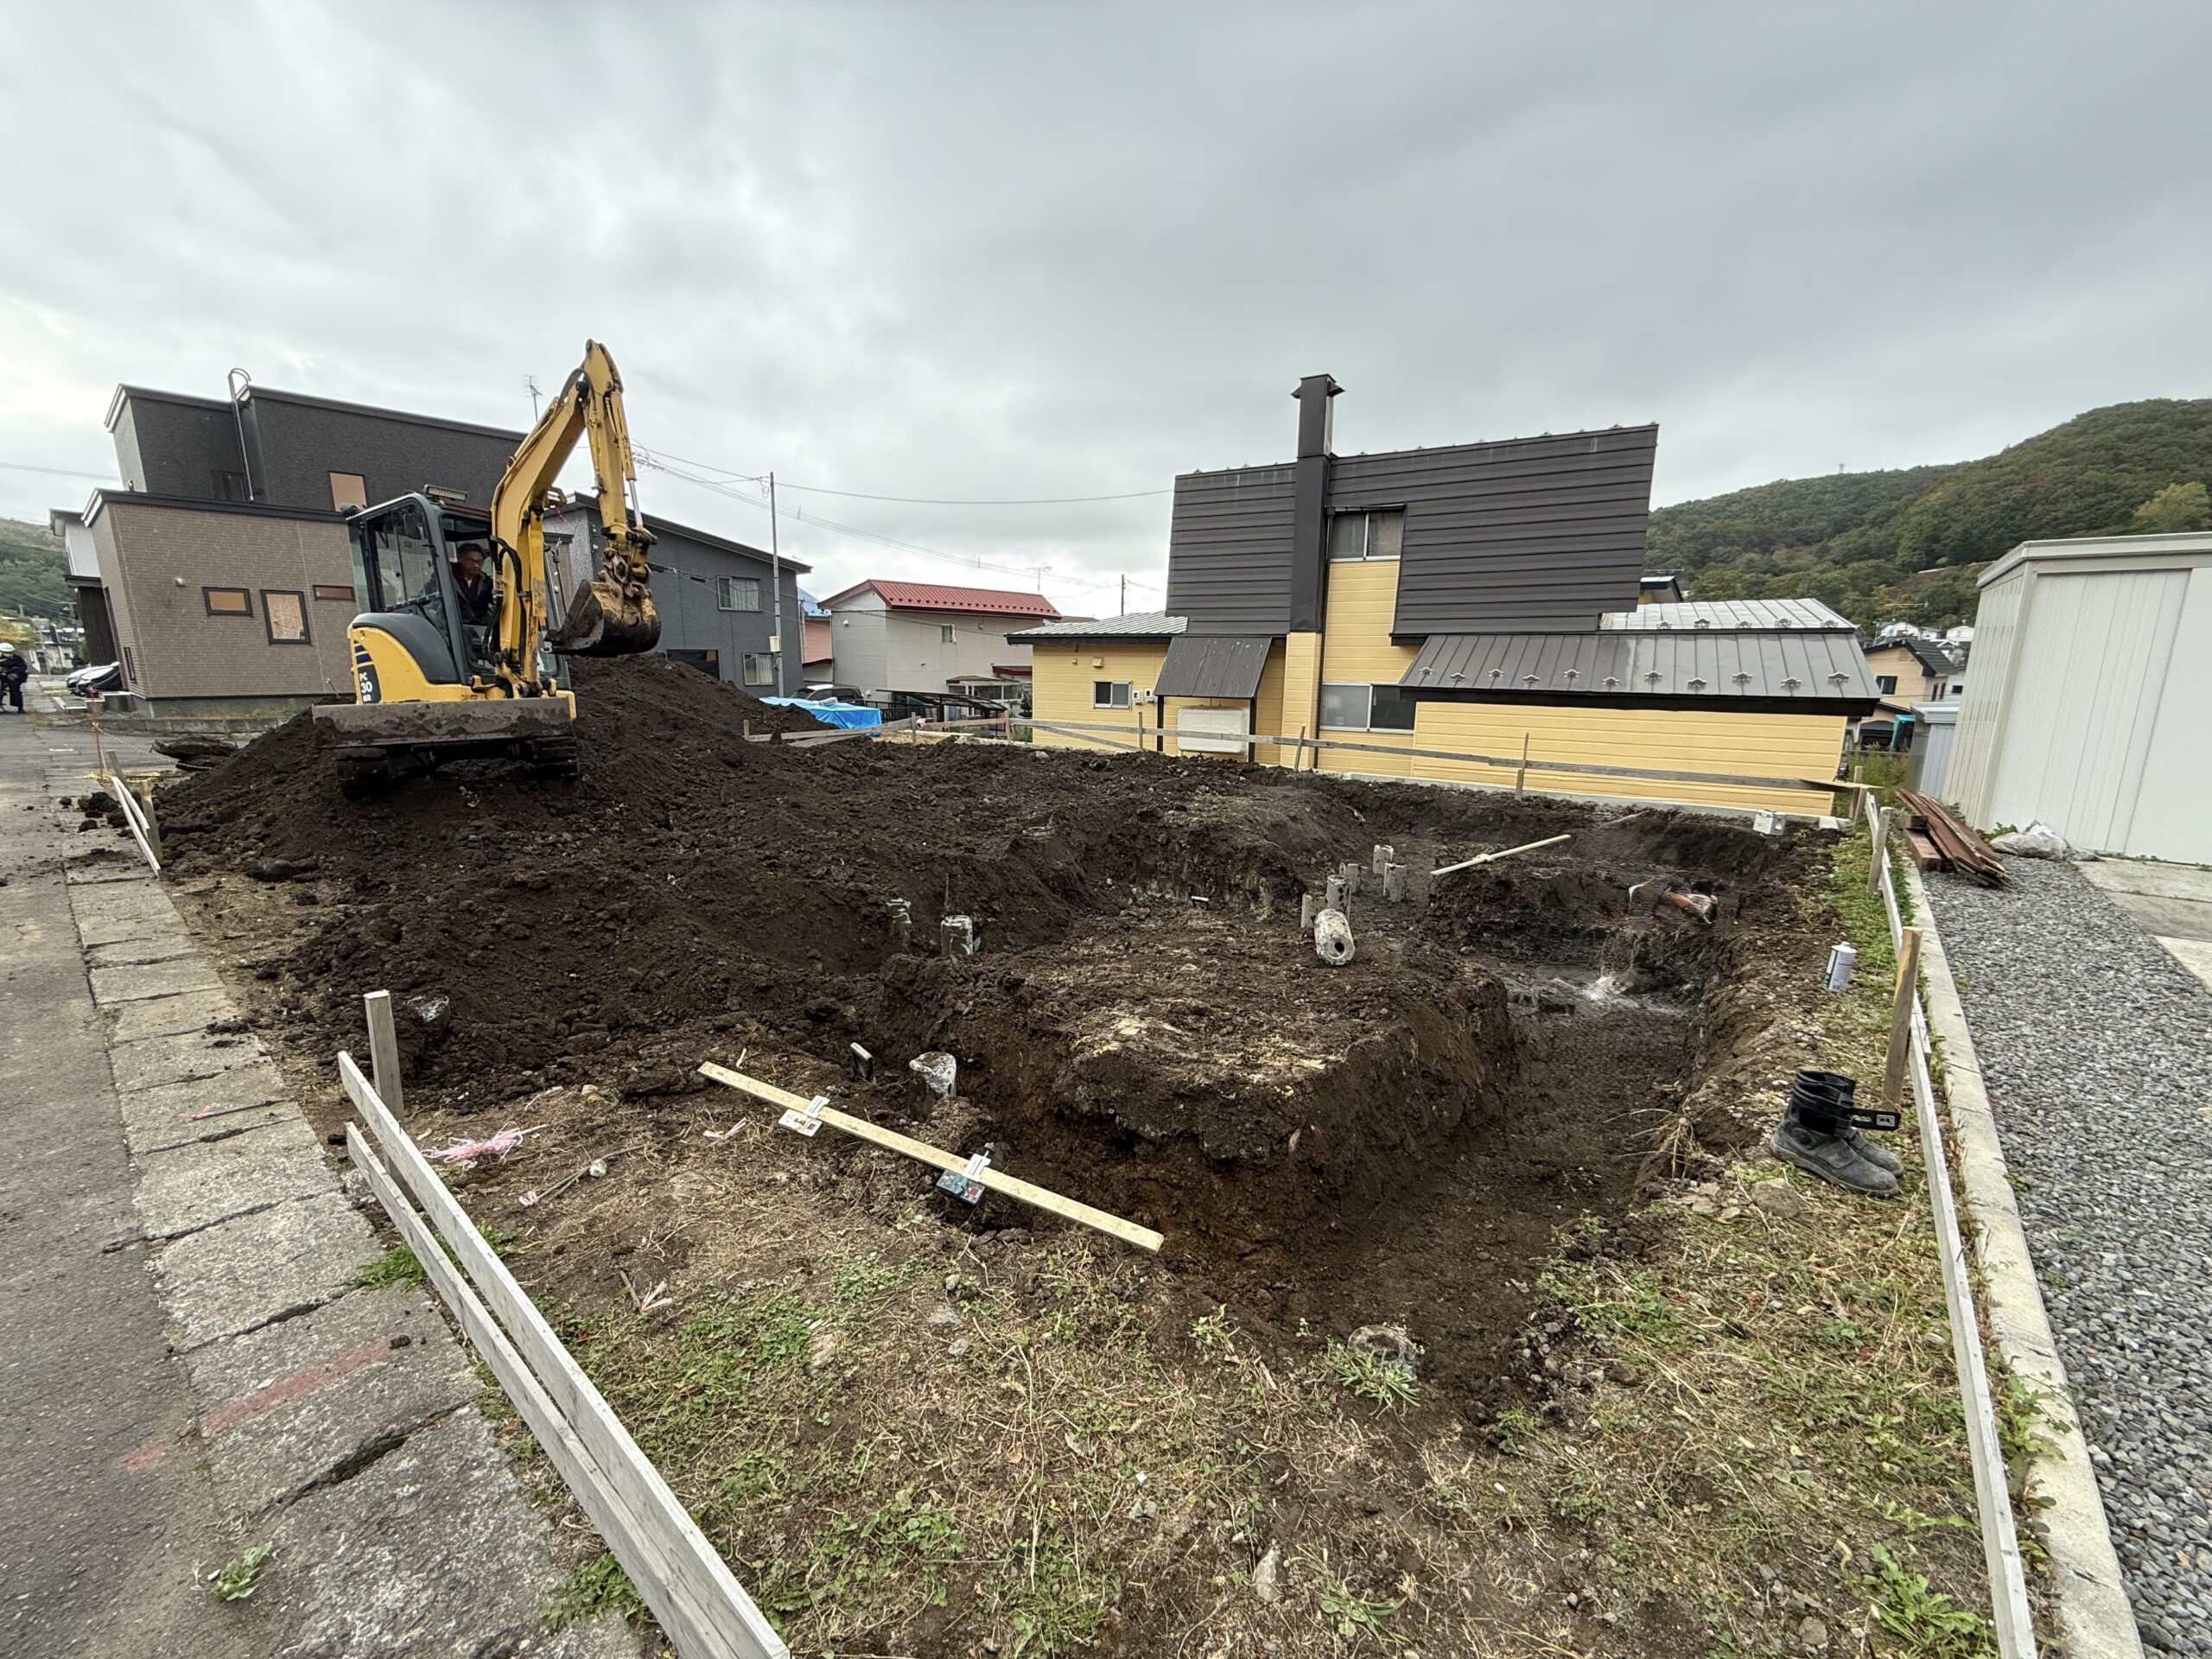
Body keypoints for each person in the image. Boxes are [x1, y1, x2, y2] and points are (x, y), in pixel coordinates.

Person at [451, 543, 499, 630]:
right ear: (461, 559)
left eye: (479, 562)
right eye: (472, 561)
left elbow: (496, 600)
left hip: (478, 626)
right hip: (453, 626)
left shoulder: (486, 582)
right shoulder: (447, 577)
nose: (476, 565)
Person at [0, 645, 27, 715]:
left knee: (15, 690)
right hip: (1, 676)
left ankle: (20, 708)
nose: (8, 653)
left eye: (10, 652)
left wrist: (14, 670)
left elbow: (23, 667)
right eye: (6, 652)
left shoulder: (17, 658)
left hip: (11, 676)